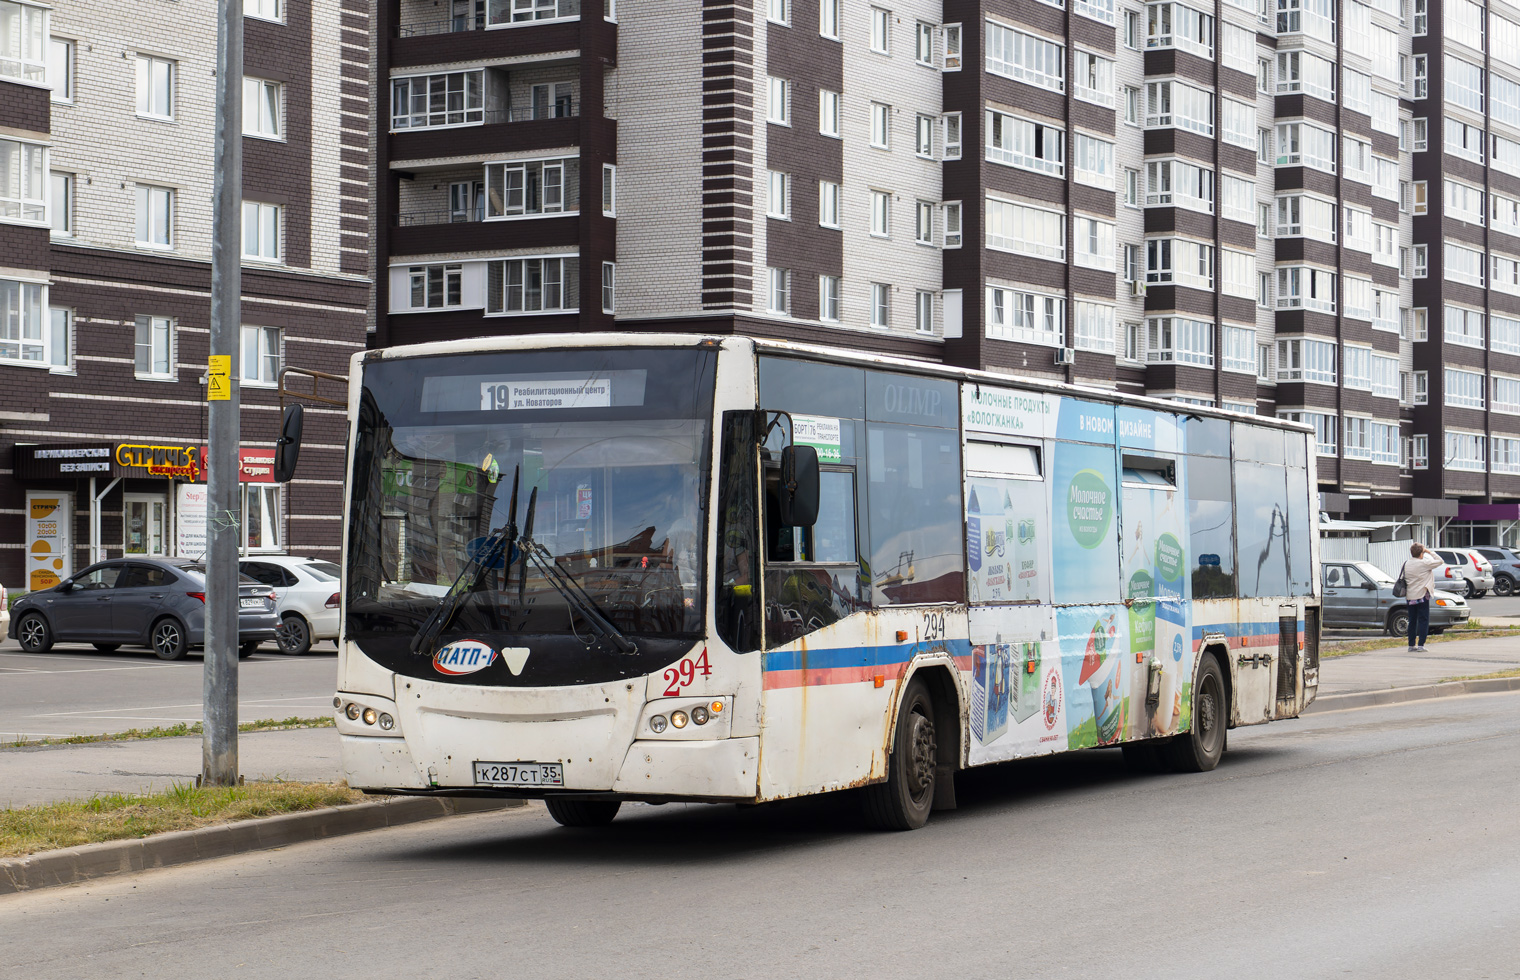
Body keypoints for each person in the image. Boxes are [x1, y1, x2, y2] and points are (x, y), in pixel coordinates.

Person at [1400, 543, 1445, 652]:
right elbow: (1440, 561)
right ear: (1421, 553)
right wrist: (1429, 551)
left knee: (1412, 620)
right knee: (1423, 620)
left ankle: (1411, 645)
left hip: (1410, 596)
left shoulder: (1406, 563)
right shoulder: (1424, 563)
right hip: (1422, 596)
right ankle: (1421, 645)